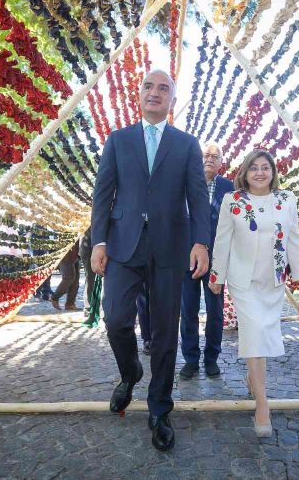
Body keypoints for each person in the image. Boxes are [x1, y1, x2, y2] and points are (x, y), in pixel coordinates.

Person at [90, 69, 210, 451]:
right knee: (115, 319)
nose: (155, 92)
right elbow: (103, 194)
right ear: (138, 94)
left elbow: (198, 197)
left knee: (163, 331)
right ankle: (130, 373)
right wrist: (99, 241)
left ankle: (159, 408)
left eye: (164, 88)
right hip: (123, 246)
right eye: (148, 86)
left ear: (172, 100)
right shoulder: (118, 140)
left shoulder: (187, 144)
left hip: (170, 247)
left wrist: (201, 243)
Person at [208, 150, 299, 437]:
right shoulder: (234, 200)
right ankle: (262, 405)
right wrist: (217, 276)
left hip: (273, 280)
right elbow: (222, 239)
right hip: (243, 281)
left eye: (266, 167)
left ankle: (255, 382)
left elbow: (293, 239)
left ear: (273, 172)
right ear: (245, 173)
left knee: (262, 335)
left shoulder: (286, 199)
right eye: (254, 168)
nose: (260, 173)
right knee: (253, 332)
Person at [179, 142, 234, 379]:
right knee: (188, 308)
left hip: (217, 259)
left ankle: (212, 358)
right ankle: (191, 359)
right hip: (187, 257)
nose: (209, 159)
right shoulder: (184, 185)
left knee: (215, 310)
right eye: (205, 155)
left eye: (215, 156)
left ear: (222, 162)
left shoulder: (229, 188)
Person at [50, 239, 80, 311]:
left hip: (76, 252)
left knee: (75, 281)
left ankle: (70, 304)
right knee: (69, 277)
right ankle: (54, 298)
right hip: (65, 250)